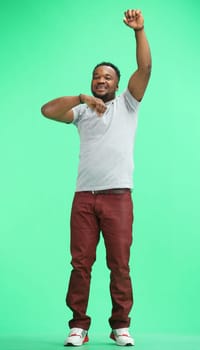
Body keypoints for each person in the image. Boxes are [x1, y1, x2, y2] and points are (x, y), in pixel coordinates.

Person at [41, 9, 151, 347]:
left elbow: (145, 68)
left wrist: (139, 31)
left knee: (119, 264)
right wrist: (81, 98)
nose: (101, 81)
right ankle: (79, 326)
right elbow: (47, 110)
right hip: (85, 198)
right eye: (96, 77)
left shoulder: (127, 104)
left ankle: (120, 326)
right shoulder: (83, 111)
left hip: (118, 196)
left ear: (117, 84)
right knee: (80, 264)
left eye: (107, 77)